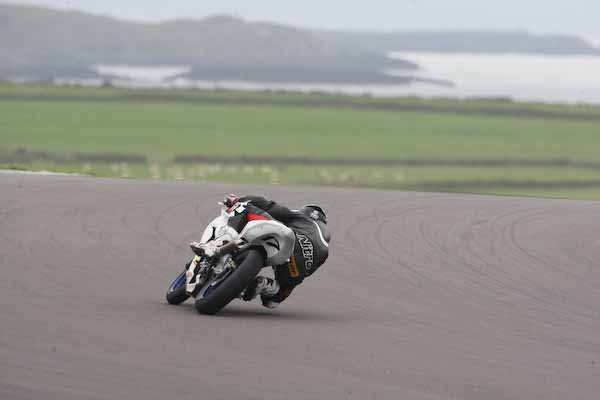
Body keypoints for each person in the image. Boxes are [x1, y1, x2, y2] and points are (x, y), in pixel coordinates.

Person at [222, 194, 331, 309]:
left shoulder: (304, 218)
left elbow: (271, 207)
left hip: (291, 242)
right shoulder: (325, 250)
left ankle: (227, 237)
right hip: (295, 272)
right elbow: (306, 273)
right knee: (272, 301)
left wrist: (239, 200)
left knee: (243, 206)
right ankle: (268, 286)